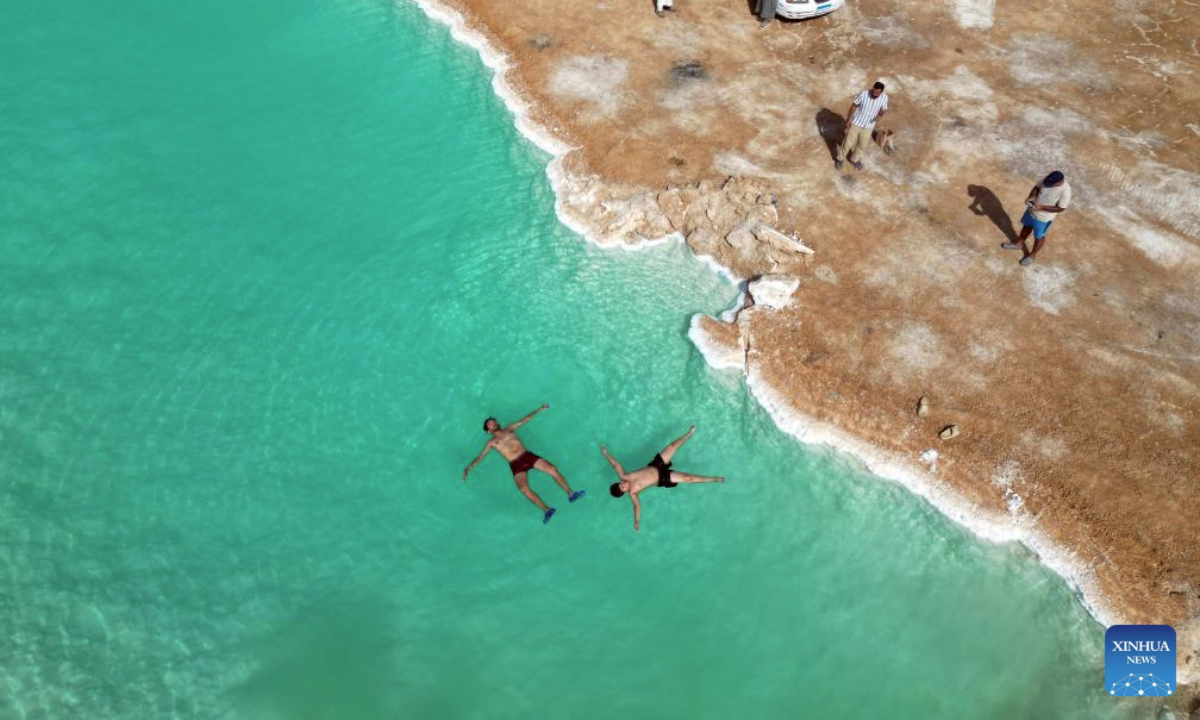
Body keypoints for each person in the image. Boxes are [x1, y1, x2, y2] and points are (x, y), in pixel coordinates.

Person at [463, 404, 585, 524]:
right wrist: (469, 467)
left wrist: (539, 410)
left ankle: (571, 494)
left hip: (527, 456)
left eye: (493, 421)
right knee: (524, 489)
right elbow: (480, 457)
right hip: (515, 465)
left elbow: (524, 420)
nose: (493, 423)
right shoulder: (491, 443)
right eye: (490, 423)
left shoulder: (509, 428)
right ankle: (547, 510)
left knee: (553, 469)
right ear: (488, 430)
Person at [602, 426, 724, 531]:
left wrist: (606, 453)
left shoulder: (624, 475)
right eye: (622, 488)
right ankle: (713, 479)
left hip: (656, 465)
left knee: (671, 447)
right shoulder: (633, 493)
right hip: (662, 478)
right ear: (624, 492)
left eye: (620, 484)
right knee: (688, 478)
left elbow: (615, 465)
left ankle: (688, 435)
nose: (623, 484)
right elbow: (637, 507)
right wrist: (637, 521)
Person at [1003, 170, 1071, 266]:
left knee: (1039, 237)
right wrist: (1031, 197)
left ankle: (1032, 255)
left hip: (1044, 219)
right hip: (1032, 211)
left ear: (1059, 182)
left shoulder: (1065, 192)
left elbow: (1061, 208)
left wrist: (1042, 208)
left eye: (1051, 184)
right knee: (1026, 226)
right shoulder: (1047, 179)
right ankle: (1019, 244)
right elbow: (1037, 187)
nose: (1048, 184)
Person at [836, 81, 889, 171]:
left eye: (877, 93)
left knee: (862, 145)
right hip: (857, 123)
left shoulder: (884, 98)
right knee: (847, 143)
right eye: (873, 91)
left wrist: (880, 115)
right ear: (872, 88)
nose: (874, 94)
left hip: (869, 126)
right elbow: (853, 106)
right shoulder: (864, 94)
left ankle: (854, 160)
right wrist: (848, 121)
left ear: (881, 92)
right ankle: (840, 159)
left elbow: (883, 109)